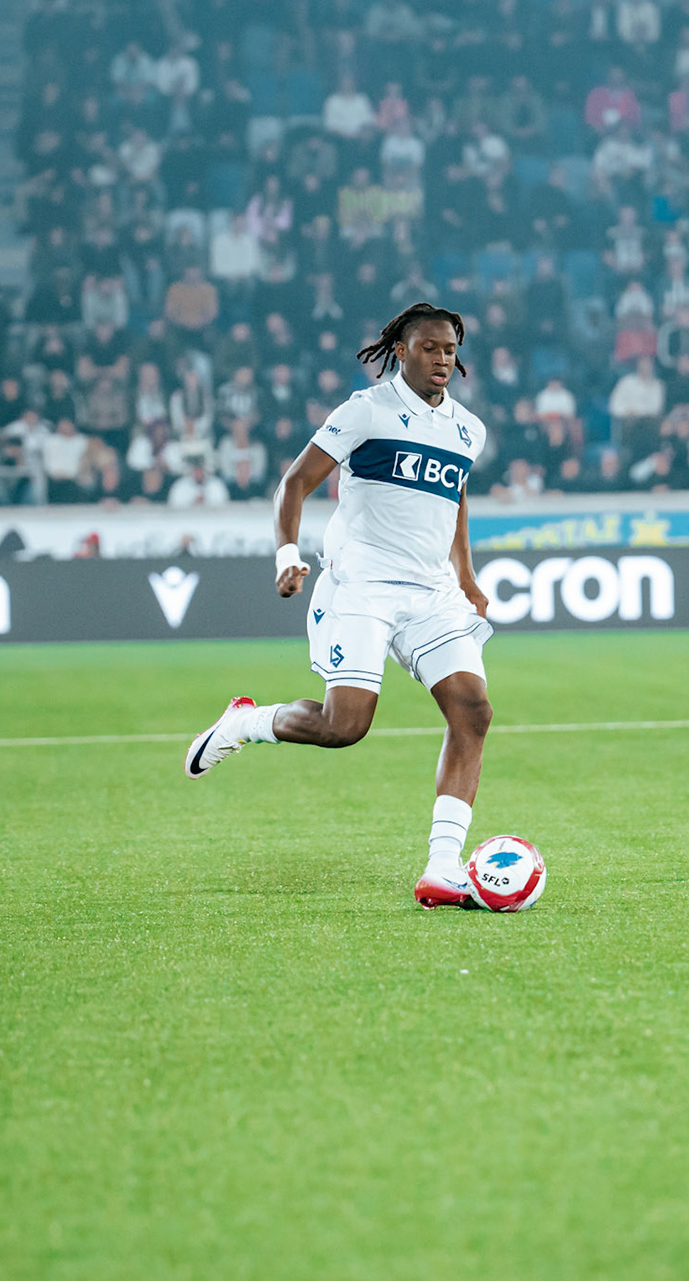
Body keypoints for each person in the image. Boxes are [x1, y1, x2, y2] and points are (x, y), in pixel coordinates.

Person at [183, 304, 496, 909]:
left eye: (450, 349)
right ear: (400, 351)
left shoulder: (467, 429)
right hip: (362, 585)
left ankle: (441, 867)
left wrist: (466, 575)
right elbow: (294, 483)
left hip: (430, 593)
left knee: (473, 711)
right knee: (344, 726)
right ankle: (245, 721)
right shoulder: (365, 411)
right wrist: (285, 555)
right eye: (428, 347)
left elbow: (453, 497)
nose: (441, 359)